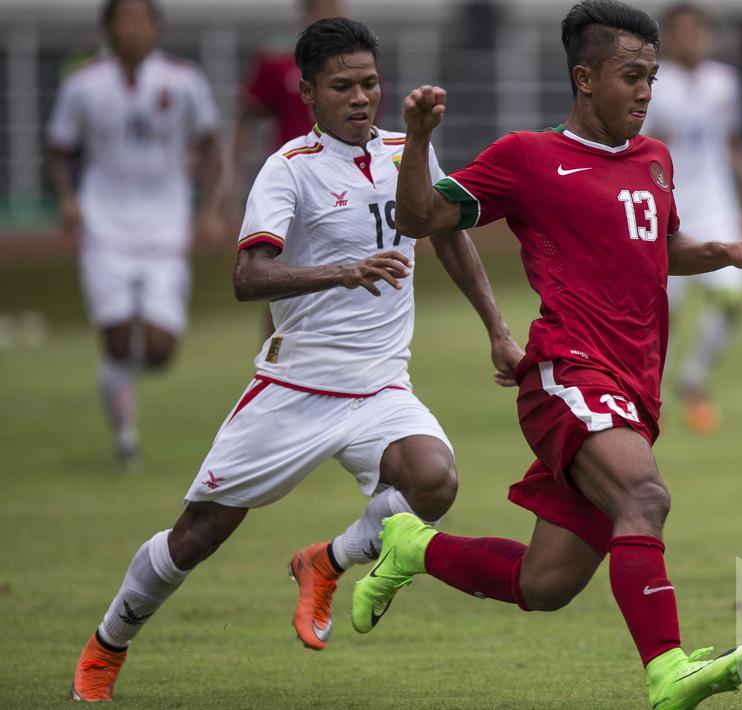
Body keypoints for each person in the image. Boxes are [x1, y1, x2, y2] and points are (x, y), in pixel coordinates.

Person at [69, 17, 523, 702]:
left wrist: (495, 325)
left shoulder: (408, 150)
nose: (360, 96)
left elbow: (446, 235)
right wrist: (338, 272)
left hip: (379, 386)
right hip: (295, 384)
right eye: (342, 86)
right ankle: (107, 645)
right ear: (308, 92)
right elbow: (246, 277)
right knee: (197, 536)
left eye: (369, 82)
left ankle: (326, 562)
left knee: (433, 482)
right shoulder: (288, 169)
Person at [351, 2, 742, 708]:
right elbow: (419, 219)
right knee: (644, 497)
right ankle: (666, 670)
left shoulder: (655, 160)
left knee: (543, 585)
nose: (645, 91)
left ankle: (408, 547)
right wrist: (422, 142)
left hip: (633, 388)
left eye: (650, 76)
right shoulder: (527, 158)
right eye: (630, 76)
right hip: (567, 373)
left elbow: (658, 248)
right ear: (584, 79)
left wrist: (724, 250)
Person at [46, 0, 225, 466]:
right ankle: (125, 436)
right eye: (124, 19)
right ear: (107, 28)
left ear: (156, 27)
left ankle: (114, 377)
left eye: (143, 19)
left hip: (166, 224)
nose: (134, 28)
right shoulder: (83, 83)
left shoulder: (183, 80)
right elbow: (58, 149)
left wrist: (208, 209)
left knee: (161, 350)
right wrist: (67, 196)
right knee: (119, 337)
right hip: (104, 224)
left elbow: (209, 146)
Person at [642, 2, 742, 434]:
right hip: (673, 212)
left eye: (696, 31)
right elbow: (641, 147)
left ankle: (693, 379)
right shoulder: (654, 85)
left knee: (734, 298)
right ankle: (647, 397)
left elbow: (731, 138)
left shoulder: (724, 81)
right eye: (680, 32)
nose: (690, 39)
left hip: (718, 209)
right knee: (663, 315)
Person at [228, 0, 348, 339]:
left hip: (340, 181)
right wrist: (233, 177)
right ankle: (274, 359)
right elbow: (245, 119)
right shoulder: (277, 58)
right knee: (280, 273)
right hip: (292, 182)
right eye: (324, 5)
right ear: (306, 10)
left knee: (345, 261)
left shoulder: (357, 61)